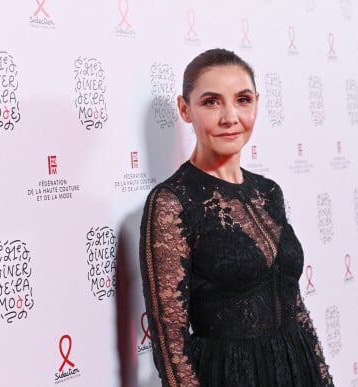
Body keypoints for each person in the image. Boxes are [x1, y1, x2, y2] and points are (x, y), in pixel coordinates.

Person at [139, 48, 334, 387]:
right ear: (185, 109)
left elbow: (293, 302)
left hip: (296, 367)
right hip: (230, 376)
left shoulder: (268, 191)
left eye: (242, 100)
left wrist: (322, 376)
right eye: (211, 102)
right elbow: (170, 342)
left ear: (256, 103)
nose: (230, 116)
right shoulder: (172, 201)